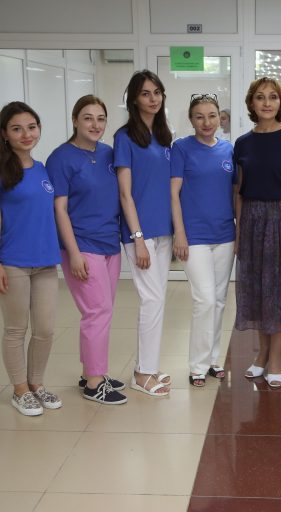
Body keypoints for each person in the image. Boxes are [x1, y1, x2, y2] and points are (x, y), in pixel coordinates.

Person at [0, 101, 61, 416]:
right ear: (5, 133)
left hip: (45, 261)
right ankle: (20, 390)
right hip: (12, 261)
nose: (26, 134)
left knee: (45, 329)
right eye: (17, 129)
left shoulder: (43, 169)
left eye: (31, 127)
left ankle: (36, 383)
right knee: (16, 329)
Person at [47, 95, 127, 405]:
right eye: (88, 118)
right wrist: (74, 253)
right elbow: (59, 209)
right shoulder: (61, 158)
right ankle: (95, 383)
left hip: (109, 244)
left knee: (102, 311)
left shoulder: (108, 154)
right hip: (82, 245)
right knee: (97, 312)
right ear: (75, 121)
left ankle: (90, 372)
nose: (95, 124)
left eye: (101, 118)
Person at [234, 77, 281, 388]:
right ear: (251, 103)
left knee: (278, 291)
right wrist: (239, 232)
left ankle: (276, 359)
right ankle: (262, 354)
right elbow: (239, 192)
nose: (267, 103)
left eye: (273, 97)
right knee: (257, 290)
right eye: (261, 97)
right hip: (253, 221)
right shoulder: (242, 143)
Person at [114, 70, 173, 397]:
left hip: (163, 229)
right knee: (151, 299)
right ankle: (142, 373)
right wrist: (137, 238)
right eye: (146, 93)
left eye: (157, 92)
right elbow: (125, 194)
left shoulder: (163, 136)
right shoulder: (125, 138)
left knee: (158, 299)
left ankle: (149, 364)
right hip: (141, 233)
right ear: (134, 99)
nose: (153, 99)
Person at [170, 93, 236, 387]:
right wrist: (180, 233)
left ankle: (212, 360)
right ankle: (197, 365)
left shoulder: (228, 149)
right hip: (194, 236)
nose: (207, 122)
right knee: (205, 299)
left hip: (225, 235)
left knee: (219, 301)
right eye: (199, 116)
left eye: (212, 116)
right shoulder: (181, 148)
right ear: (191, 119)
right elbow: (173, 194)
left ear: (220, 118)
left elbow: (234, 193)